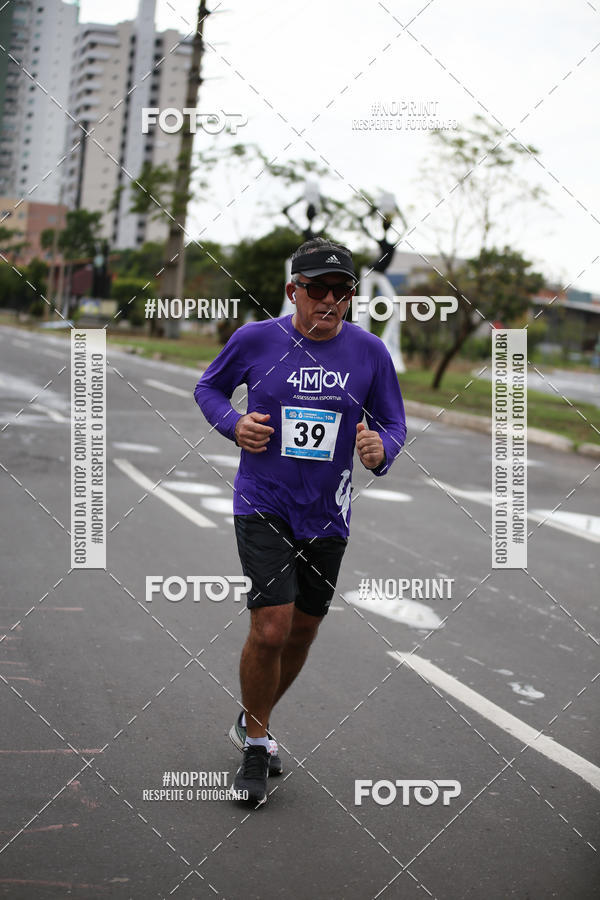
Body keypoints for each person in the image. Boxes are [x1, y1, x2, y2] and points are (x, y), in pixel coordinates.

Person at [194, 238, 406, 806]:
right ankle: (258, 745)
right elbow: (208, 387)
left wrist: (379, 450)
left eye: (342, 291)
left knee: (305, 629)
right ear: (294, 291)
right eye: (317, 289)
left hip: (328, 512)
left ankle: (249, 716)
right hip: (263, 501)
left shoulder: (369, 353)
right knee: (271, 626)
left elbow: (393, 423)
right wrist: (232, 425)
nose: (330, 301)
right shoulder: (257, 340)